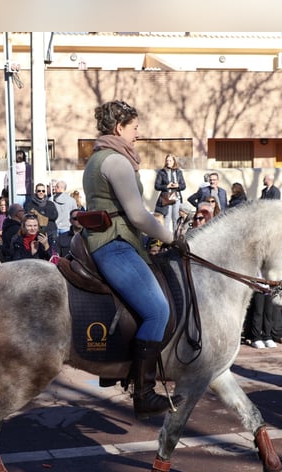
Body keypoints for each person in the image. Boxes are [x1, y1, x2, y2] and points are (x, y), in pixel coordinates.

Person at [82, 99, 182, 418]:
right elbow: (137, 217)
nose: (138, 133)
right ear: (119, 128)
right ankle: (144, 392)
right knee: (157, 310)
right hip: (116, 243)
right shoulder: (117, 161)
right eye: (135, 128)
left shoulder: (99, 158)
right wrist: (172, 238)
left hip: (109, 238)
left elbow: (127, 207)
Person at [153, 154, 187, 231]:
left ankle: (176, 240)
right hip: (166, 198)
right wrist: (166, 186)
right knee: (167, 219)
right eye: (167, 160)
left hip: (176, 198)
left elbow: (184, 186)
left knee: (176, 219)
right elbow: (157, 186)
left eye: (170, 160)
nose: (168, 162)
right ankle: (167, 240)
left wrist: (178, 186)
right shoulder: (161, 172)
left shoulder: (179, 172)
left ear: (174, 161)